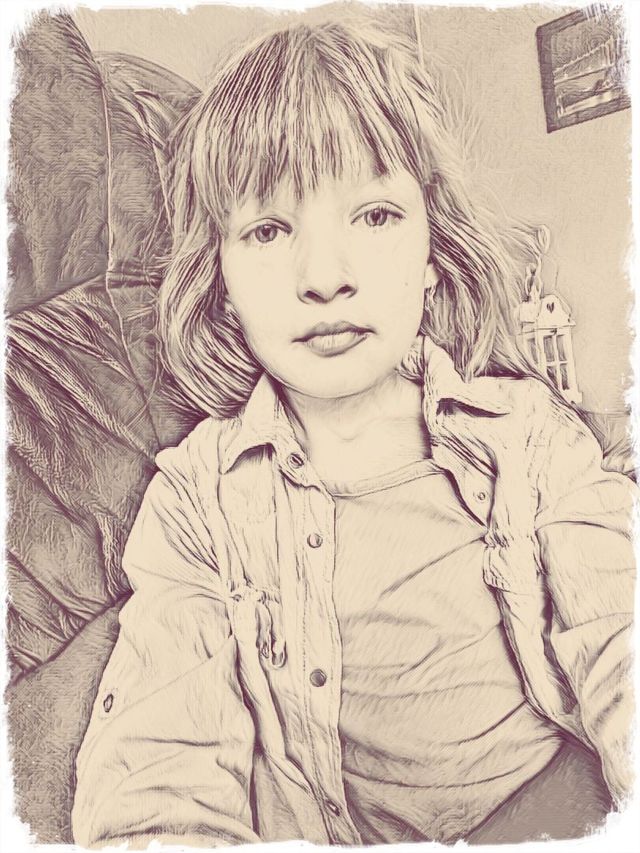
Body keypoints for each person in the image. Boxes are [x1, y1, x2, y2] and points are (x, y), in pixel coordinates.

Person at [71, 17, 636, 848]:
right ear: (221, 279)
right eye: (269, 230)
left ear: (432, 252)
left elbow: (623, 636)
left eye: (374, 214)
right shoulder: (196, 500)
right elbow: (155, 777)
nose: (326, 277)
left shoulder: (528, 438)